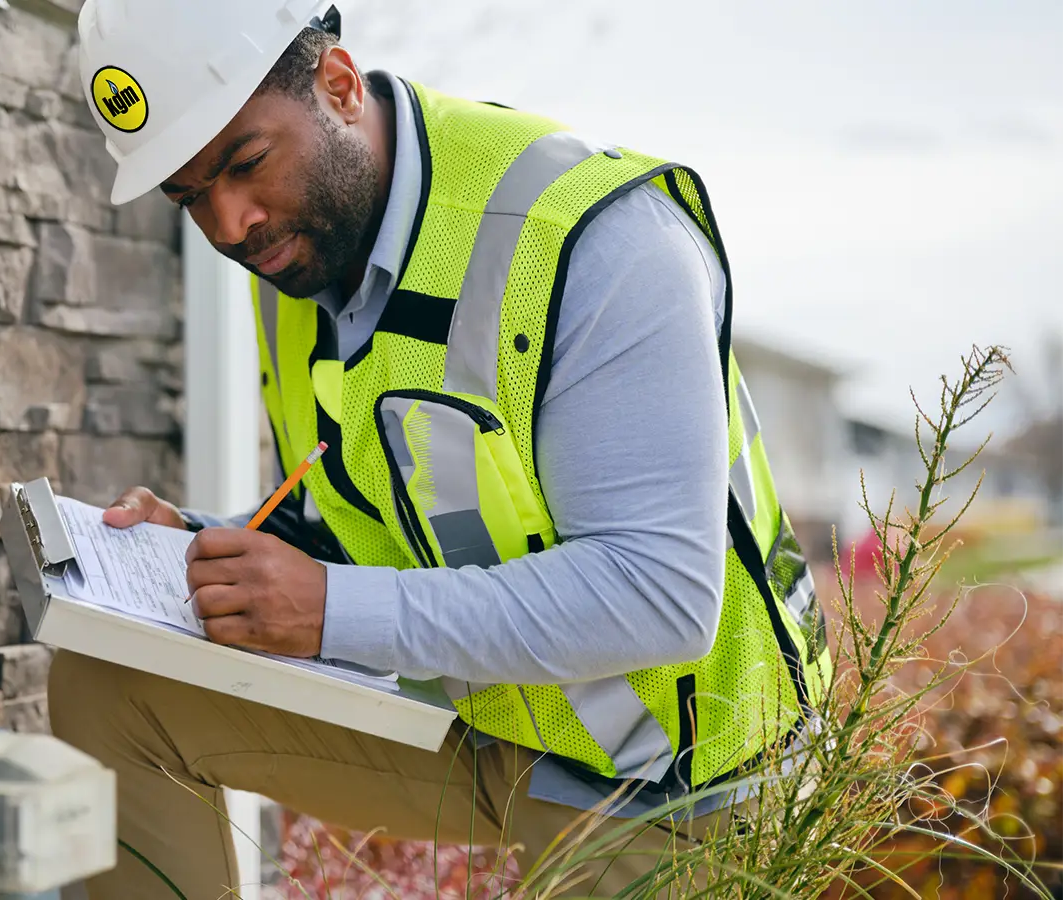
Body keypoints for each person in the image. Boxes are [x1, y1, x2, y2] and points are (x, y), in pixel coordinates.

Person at [51, 2, 833, 897]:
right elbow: (359, 506)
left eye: (245, 164)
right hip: (481, 720)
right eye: (189, 196)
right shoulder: (294, 256)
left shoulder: (595, 240)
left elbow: (659, 596)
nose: (230, 225)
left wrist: (326, 609)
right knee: (116, 683)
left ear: (338, 86)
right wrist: (207, 552)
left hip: (673, 787)